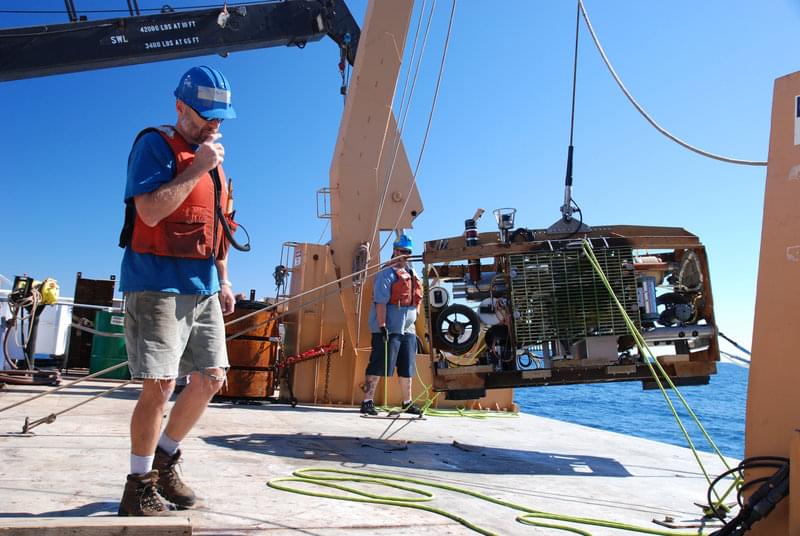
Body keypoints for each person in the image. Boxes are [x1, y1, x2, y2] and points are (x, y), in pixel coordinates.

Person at [116, 65, 238, 516]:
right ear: (180, 106)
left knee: (211, 377)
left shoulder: (215, 165)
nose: (212, 124)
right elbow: (148, 212)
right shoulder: (155, 145)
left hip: (203, 285)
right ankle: (137, 485)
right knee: (160, 385)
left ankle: (165, 460)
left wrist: (224, 280)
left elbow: (220, 227)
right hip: (156, 283)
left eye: (219, 117)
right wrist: (197, 168)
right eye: (205, 115)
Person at [360, 234, 424, 416]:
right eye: (404, 251)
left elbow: (418, 297)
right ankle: (367, 401)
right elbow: (380, 302)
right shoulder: (386, 274)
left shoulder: (413, 273)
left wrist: (415, 314)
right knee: (379, 363)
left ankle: (407, 402)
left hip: (408, 329)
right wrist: (382, 325)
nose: (407, 255)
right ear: (395, 251)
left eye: (409, 252)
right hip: (389, 327)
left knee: (407, 365)